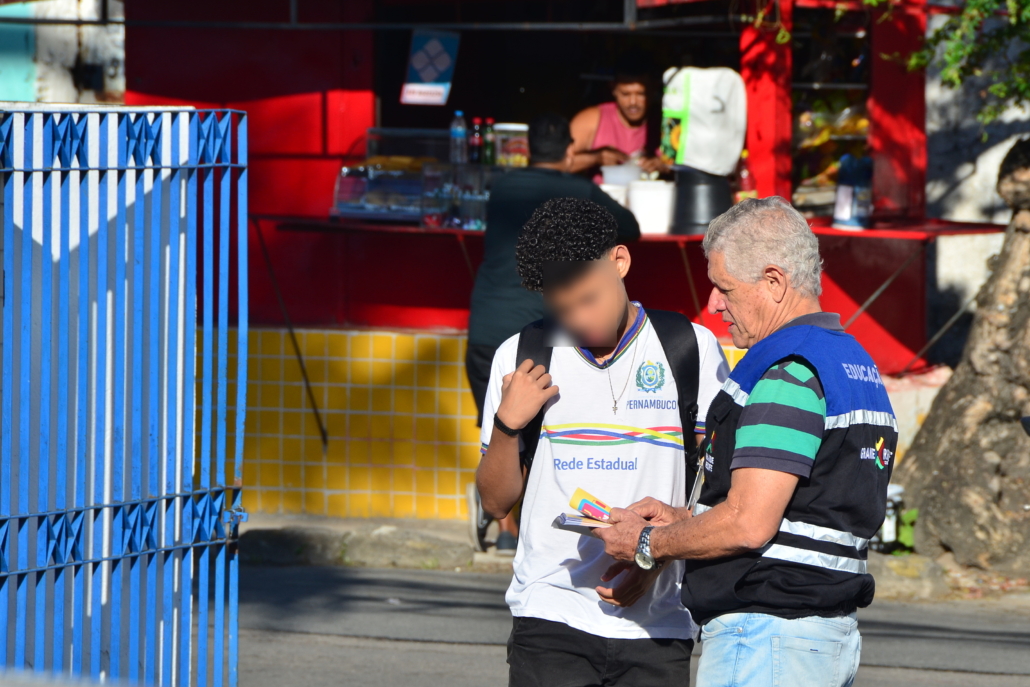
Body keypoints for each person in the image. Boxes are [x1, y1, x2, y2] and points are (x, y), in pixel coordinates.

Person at [596, 197, 898, 687]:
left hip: (767, 636)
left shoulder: (788, 373)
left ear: (774, 282)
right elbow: (804, 511)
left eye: (725, 288)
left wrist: (647, 542)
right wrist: (687, 521)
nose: (714, 304)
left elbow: (749, 523)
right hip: (818, 635)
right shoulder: (850, 360)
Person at [476, 196, 729, 686]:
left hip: (658, 623)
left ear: (620, 262)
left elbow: (718, 490)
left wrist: (655, 557)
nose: (579, 319)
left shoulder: (690, 349)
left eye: (589, 298)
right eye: (562, 308)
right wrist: (508, 425)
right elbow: (495, 501)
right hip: (549, 616)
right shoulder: (522, 356)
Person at [465, 113, 640, 555]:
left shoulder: (502, 186)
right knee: (537, 437)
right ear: (570, 150)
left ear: (527, 150)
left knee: (503, 435)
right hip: (543, 336)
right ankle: (520, 524)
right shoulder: (578, 190)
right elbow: (631, 227)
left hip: (486, 323)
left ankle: (508, 531)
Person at [570, 55, 669, 178]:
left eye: (641, 94)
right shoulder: (592, 119)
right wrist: (596, 158)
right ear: (613, 89)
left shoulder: (667, 122)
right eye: (625, 94)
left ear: (654, 89)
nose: (633, 102)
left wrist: (664, 165)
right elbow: (557, 164)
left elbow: (689, 166)